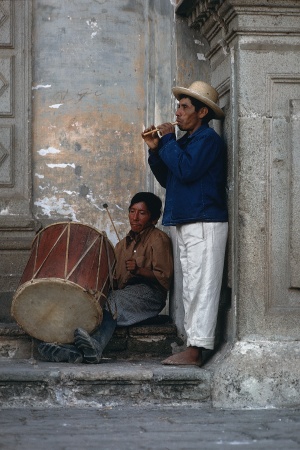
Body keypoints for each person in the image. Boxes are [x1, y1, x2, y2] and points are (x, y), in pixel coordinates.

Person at [142, 81, 228, 367]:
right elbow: (171, 179)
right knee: (191, 286)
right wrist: (156, 151)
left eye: (184, 107)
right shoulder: (187, 142)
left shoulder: (207, 140)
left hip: (204, 223)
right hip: (188, 221)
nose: (177, 113)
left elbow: (187, 170)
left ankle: (196, 350)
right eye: (178, 107)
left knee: (202, 286)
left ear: (202, 112)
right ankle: (192, 344)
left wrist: (166, 141)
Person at [38, 192, 173, 364]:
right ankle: (72, 351)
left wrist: (140, 270)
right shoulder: (121, 245)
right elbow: (114, 280)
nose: (135, 217)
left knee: (111, 301)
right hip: (124, 294)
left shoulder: (158, 239)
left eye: (142, 213)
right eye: (132, 211)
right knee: (91, 300)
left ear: (154, 219)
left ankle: (96, 346)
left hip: (150, 296)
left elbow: (165, 277)